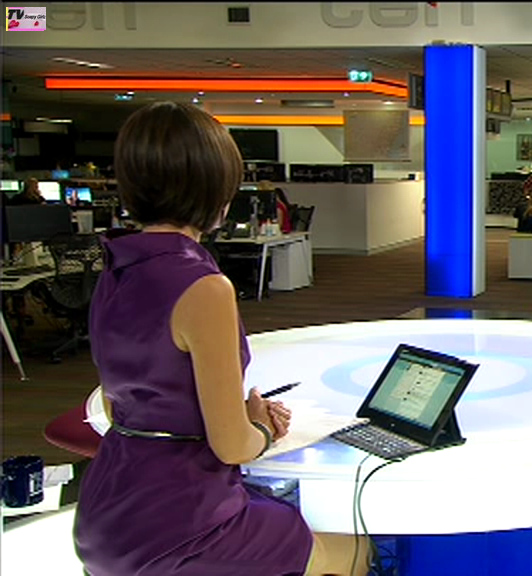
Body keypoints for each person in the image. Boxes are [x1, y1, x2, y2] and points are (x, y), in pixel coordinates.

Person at [72, 102, 368, 576]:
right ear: (216, 189)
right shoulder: (203, 286)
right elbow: (232, 447)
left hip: (106, 510)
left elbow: (117, 408)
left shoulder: (117, 269)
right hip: (180, 522)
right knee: (356, 551)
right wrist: (261, 426)